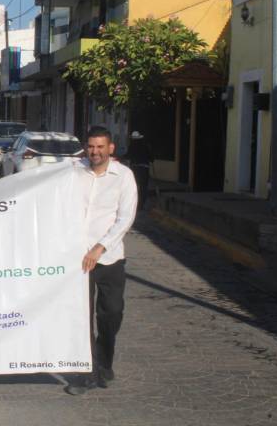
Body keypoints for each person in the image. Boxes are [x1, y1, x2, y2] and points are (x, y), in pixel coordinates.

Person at [65, 126, 138, 396]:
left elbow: (125, 218)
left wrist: (99, 248)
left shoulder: (124, 177)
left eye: (100, 147)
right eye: (91, 146)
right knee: (82, 318)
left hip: (109, 258)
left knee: (111, 314)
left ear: (111, 149)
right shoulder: (74, 172)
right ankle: (88, 373)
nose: (94, 152)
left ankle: (105, 362)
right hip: (78, 259)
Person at [124, 131, 154, 211]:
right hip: (144, 169)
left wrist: (121, 157)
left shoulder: (132, 146)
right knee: (143, 187)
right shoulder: (146, 146)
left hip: (135, 169)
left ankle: (135, 204)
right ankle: (141, 205)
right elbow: (152, 159)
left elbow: (128, 156)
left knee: (134, 187)